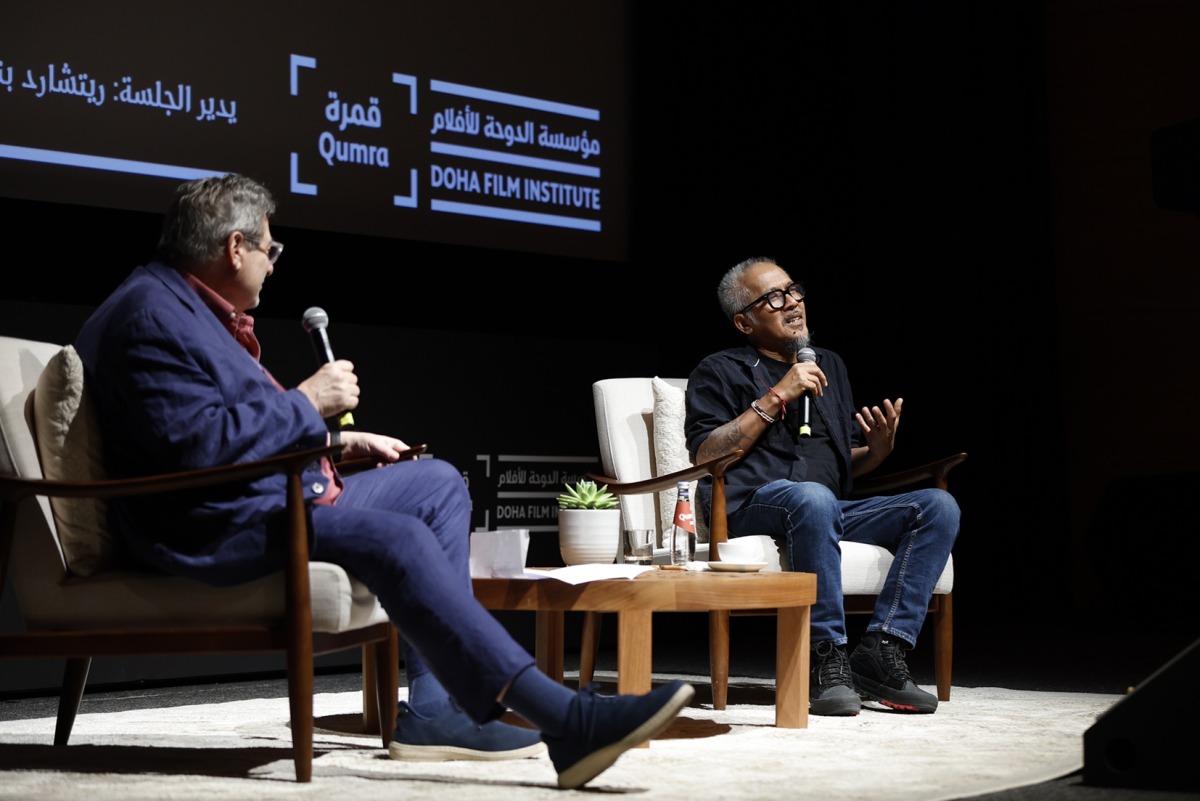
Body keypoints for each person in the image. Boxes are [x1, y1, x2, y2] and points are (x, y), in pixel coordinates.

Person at [73, 173, 693, 788]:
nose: (273, 264)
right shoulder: (150, 315)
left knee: (436, 484)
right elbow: (195, 447)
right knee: (398, 539)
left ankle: (433, 710)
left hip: (266, 495)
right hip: (211, 522)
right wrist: (308, 402)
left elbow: (219, 429)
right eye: (270, 249)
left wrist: (336, 440)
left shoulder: (185, 304)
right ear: (235, 247)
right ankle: (566, 719)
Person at [684, 256, 959, 716]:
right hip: (750, 505)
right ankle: (825, 656)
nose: (793, 303)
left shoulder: (828, 364)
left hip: (828, 507)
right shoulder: (719, 369)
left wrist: (874, 452)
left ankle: (883, 651)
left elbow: (838, 459)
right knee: (811, 498)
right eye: (774, 298)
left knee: (936, 506)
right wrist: (778, 395)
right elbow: (707, 455)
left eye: (794, 290)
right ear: (744, 321)